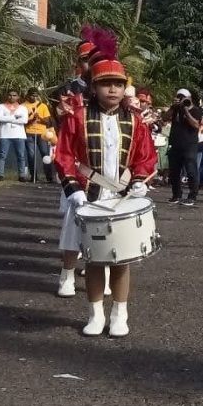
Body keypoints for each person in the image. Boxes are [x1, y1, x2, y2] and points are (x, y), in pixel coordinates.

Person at [53, 41, 158, 334]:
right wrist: (73, 188)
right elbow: (64, 154)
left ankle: (120, 315)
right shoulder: (77, 118)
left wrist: (139, 180)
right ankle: (96, 314)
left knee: (122, 260)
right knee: (95, 259)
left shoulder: (136, 122)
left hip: (122, 196)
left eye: (118, 84)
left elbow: (146, 156)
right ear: (94, 87)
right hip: (90, 197)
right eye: (105, 84)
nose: (112, 89)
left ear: (125, 87)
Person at [165, 89, 203, 207]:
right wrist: (173, 107)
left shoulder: (196, 110)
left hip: (189, 145)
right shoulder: (176, 109)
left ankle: (192, 196)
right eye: (179, 97)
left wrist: (186, 111)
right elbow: (164, 118)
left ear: (189, 98)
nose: (181, 99)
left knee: (191, 171)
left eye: (183, 97)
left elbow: (196, 125)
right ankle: (176, 195)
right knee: (174, 172)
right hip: (175, 144)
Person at [0, 90, 30, 181]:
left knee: (21, 155)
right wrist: (15, 117)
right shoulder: (0, 106)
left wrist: (8, 119)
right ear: (7, 96)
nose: (12, 97)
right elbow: (0, 118)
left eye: (14, 95)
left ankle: (21, 175)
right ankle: (0, 175)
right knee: (2, 155)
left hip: (19, 135)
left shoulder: (23, 108)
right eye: (10, 95)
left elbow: (24, 120)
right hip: (5, 134)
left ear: (18, 97)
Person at [23, 91, 52, 182]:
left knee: (45, 155)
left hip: (42, 134)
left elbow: (48, 122)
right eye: (32, 95)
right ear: (28, 95)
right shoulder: (23, 106)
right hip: (29, 133)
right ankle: (33, 176)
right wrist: (32, 120)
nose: (34, 97)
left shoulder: (43, 106)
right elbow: (22, 122)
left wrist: (39, 117)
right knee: (31, 155)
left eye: (36, 96)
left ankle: (49, 177)